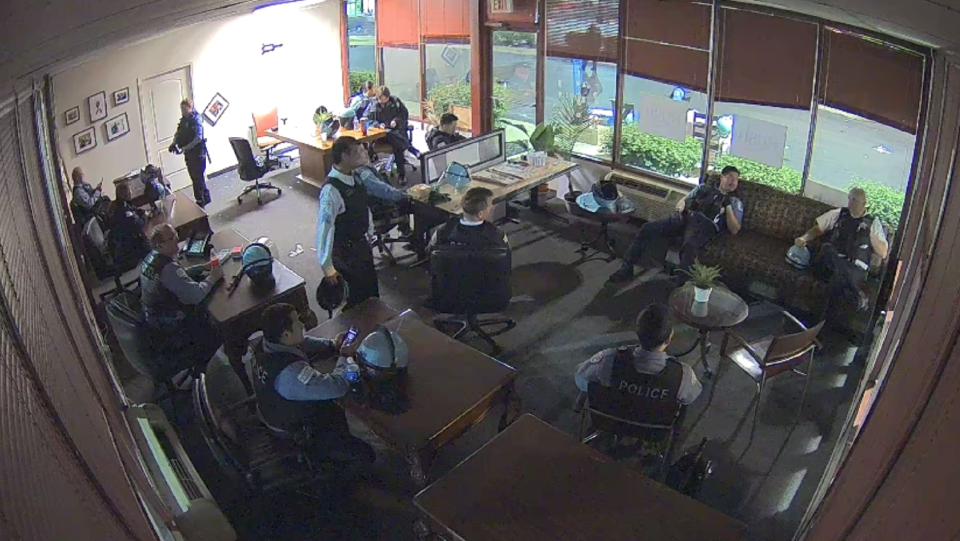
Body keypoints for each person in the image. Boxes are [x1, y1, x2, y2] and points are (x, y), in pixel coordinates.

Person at [249, 303, 375, 467]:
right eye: (297, 322)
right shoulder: (290, 375)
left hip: (270, 408)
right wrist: (344, 356)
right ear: (286, 334)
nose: (302, 324)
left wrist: (331, 345)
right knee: (366, 456)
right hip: (295, 429)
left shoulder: (265, 344)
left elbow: (302, 343)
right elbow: (338, 386)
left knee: (335, 407)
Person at [316, 136, 409, 310]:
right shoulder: (331, 191)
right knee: (355, 302)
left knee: (371, 295)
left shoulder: (356, 176)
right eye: (358, 151)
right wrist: (327, 266)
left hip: (361, 246)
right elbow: (324, 229)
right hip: (344, 253)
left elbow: (362, 205)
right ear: (344, 156)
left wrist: (370, 230)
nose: (364, 153)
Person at [609, 166, 743, 284]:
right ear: (721, 177)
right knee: (648, 228)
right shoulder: (703, 188)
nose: (732, 181)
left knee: (689, 247)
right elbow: (682, 201)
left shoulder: (735, 202)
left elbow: (734, 229)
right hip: (683, 218)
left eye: (736, 180)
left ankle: (680, 286)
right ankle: (626, 268)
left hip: (703, 228)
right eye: (730, 177)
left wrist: (728, 206)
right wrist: (680, 209)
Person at [575, 303, 702, 406]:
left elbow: (581, 377)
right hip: (651, 429)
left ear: (638, 333)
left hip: (610, 421)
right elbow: (691, 397)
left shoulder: (608, 361)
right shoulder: (682, 375)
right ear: (668, 340)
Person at [795, 187, 889, 312]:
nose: (850, 202)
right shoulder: (839, 213)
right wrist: (804, 238)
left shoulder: (873, 223)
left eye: (854, 200)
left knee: (837, 281)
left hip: (855, 269)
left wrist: (870, 233)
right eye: (849, 198)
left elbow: (883, 253)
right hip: (830, 263)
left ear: (864, 203)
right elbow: (818, 229)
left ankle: (819, 324)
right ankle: (857, 293)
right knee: (827, 248)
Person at [140, 224, 223, 363]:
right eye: (172, 238)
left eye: (176, 235)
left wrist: (202, 267)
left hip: (152, 318)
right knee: (217, 321)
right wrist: (214, 276)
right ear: (160, 245)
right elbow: (196, 295)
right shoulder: (168, 268)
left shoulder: (152, 258)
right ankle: (205, 363)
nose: (177, 239)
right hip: (171, 324)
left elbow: (177, 277)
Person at [369, 86, 420, 186]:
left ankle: (402, 175)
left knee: (397, 147)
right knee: (392, 138)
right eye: (380, 100)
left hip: (396, 132)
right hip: (381, 135)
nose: (383, 102)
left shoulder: (396, 102)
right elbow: (368, 119)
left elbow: (404, 115)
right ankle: (410, 148)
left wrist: (396, 121)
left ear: (388, 97)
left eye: (385, 99)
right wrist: (378, 124)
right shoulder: (373, 104)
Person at [429, 186, 507, 250]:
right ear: (480, 214)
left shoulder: (442, 232)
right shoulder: (497, 235)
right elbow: (505, 259)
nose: (492, 206)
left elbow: (430, 252)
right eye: (490, 204)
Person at [168, 98, 211, 207]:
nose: (182, 111)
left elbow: (198, 137)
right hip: (189, 153)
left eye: (184, 109)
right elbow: (178, 133)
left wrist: (186, 148)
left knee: (198, 177)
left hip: (198, 152)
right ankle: (205, 196)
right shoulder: (184, 120)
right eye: (181, 109)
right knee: (194, 176)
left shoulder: (196, 119)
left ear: (190, 108)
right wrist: (174, 143)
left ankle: (201, 200)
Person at [106, 182, 150, 271]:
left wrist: (142, 213)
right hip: (129, 249)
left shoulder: (124, 204)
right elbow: (138, 225)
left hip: (128, 240)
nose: (131, 193)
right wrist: (145, 216)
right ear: (125, 195)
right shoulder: (122, 211)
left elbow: (136, 211)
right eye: (129, 192)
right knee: (152, 244)